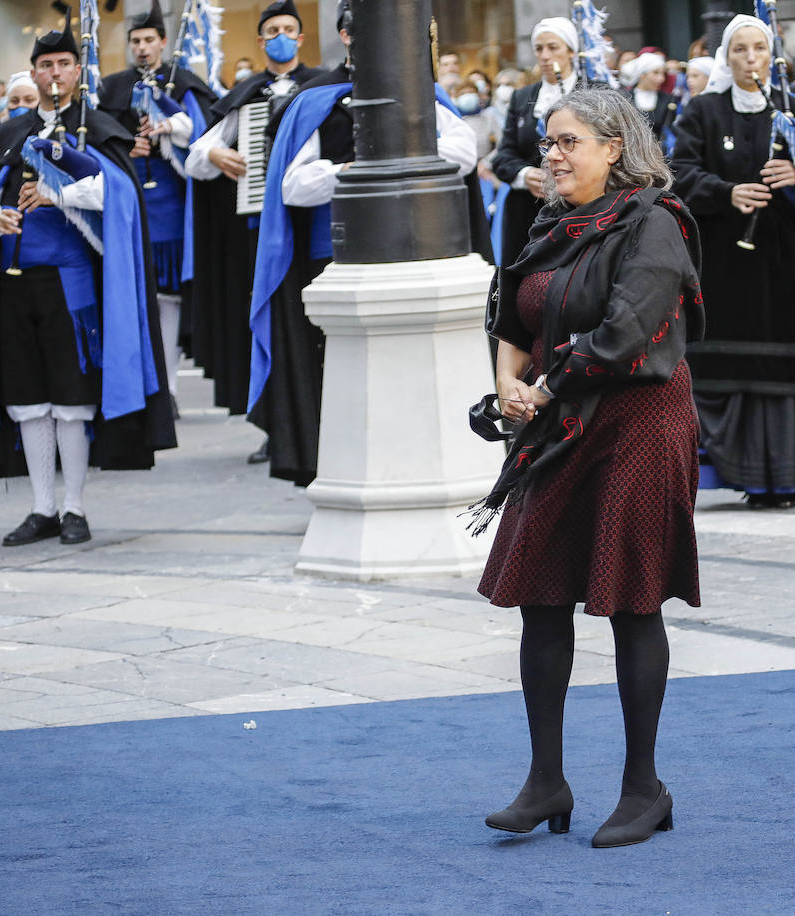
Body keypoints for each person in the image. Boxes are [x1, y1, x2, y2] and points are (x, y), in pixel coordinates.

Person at [476, 87, 704, 849]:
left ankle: (645, 788)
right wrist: (508, 381)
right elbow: (512, 310)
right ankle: (547, 781)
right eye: (548, 142)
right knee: (541, 595)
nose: (553, 155)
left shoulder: (655, 222)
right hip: (558, 417)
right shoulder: (549, 221)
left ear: (615, 147)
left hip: (637, 421)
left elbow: (627, 328)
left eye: (569, 141)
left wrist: (539, 388)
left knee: (634, 601)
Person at [0, 11, 174, 546]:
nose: (53, 74)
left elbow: (115, 196)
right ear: (34, 70)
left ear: (78, 71)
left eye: (63, 64)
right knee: (27, 399)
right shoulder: (11, 131)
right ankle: (41, 507)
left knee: (71, 400)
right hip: (13, 285)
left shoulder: (97, 128)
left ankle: (74, 508)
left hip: (72, 288)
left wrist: (57, 192)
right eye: (44, 64)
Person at [246, 1, 478, 487]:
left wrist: (405, 157)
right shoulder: (315, 100)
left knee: (412, 367)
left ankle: (417, 466)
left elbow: (464, 153)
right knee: (341, 373)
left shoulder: (423, 93)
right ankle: (345, 472)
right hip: (335, 256)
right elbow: (294, 186)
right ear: (347, 37)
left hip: (414, 249)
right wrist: (350, 172)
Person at [673, 14, 795, 508]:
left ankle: (789, 474)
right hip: (723, 262)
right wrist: (726, 192)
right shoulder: (703, 112)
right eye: (740, 49)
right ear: (726, 57)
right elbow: (678, 172)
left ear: (770, 55)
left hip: (787, 261)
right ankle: (739, 473)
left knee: (786, 366)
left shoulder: (794, 109)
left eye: (759, 48)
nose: (750, 58)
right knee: (729, 365)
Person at [186, 0, 323, 456]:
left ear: (300, 38)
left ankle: (318, 419)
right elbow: (195, 159)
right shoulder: (245, 95)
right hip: (262, 232)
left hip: (315, 227)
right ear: (261, 40)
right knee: (269, 323)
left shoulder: (321, 87)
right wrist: (213, 155)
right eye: (272, 30)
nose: (280, 36)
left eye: (288, 28)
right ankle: (277, 426)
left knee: (313, 326)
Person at [98, 0, 217, 420]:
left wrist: (170, 134)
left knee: (166, 298)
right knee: (132, 293)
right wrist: (126, 149)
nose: (142, 48)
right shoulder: (111, 88)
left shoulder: (183, 82)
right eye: (135, 41)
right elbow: (96, 143)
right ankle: (141, 383)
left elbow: (206, 140)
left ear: (163, 43)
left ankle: (166, 388)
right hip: (127, 206)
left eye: (149, 40)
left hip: (171, 207)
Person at [489, 17, 578, 266]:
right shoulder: (523, 97)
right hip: (527, 210)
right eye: (539, 49)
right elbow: (504, 156)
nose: (545, 56)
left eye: (553, 47)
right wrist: (525, 174)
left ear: (571, 51)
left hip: (577, 210)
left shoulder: (594, 91)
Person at [619, 51, 676, 150]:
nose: (661, 78)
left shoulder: (668, 100)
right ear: (642, 74)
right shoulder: (625, 98)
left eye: (663, 73)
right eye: (655, 73)